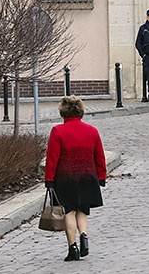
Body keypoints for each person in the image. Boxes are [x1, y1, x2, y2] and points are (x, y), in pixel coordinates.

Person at [44, 96, 107, 262]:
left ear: (63, 112)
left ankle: (73, 247)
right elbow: (99, 156)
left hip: (65, 178)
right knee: (82, 210)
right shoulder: (92, 131)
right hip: (87, 176)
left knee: (69, 211)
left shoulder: (58, 131)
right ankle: (84, 236)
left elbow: (52, 158)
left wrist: (49, 179)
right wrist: (101, 176)